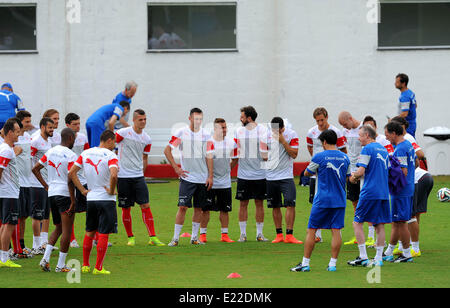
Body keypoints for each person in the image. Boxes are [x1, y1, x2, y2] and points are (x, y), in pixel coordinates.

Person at [290, 130, 351, 272]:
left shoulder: (319, 157)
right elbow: (348, 177)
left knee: (311, 230)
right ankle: (332, 264)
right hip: (339, 199)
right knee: (336, 231)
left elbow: (306, 173)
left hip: (322, 199)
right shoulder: (345, 158)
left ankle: (305, 264)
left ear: (324, 142)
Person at [68, 130, 119, 275]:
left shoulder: (86, 153)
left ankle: (85, 265)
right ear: (109, 140)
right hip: (106, 200)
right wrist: (111, 190)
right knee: (103, 233)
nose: (114, 145)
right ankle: (98, 268)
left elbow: (72, 173)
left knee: (89, 231)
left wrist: (82, 190)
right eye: (114, 142)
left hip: (91, 198)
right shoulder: (110, 155)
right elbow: (114, 175)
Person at [164, 108, 214, 246]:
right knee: (183, 207)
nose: (198, 121)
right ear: (190, 118)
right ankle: (175, 238)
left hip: (202, 178)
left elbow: (209, 156)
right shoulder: (181, 133)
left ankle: (194, 238)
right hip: (187, 178)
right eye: (195, 118)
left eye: (200, 119)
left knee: (199, 208)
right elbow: (167, 150)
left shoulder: (206, 135)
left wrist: (210, 176)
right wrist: (176, 167)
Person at [116, 109, 164, 247]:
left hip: (138, 177)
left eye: (145, 119)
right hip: (123, 176)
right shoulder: (122, 133)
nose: (143, 122)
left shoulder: (147, 138)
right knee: (126, 208)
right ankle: (130, 237)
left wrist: (142, 173)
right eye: (140, 119)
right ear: (134, 120)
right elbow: (111, 146)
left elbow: (145, 157)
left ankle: (153, 237)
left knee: (146, 205)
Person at [33, 128, 78, 273]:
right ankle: (60, 265)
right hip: (64, 194)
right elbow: (71, 178)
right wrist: (73, 200)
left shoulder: (51, 151)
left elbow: (35, 169)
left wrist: (46, 185)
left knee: (58, 227)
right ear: (70, 138)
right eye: (74, 138)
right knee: (67, 230)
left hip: (52, 194)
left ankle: (45, 259)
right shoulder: (71, 155)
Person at [347, 126, 391, 267]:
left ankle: (363, 256)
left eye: (360, 135)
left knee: (357, 222)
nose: (359, 138)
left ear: (367, 135)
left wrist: (353, 177)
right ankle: (378, 259)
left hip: (370, 192)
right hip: (383, 192)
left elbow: (361, 170)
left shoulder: (367, 149)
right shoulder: (383, 149)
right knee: (379, 225)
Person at [306, 107, 347, 243]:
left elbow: (343, 150)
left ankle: (332, 230)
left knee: (328, 199)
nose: (320, 123)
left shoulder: (336, 132)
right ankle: (318, 234)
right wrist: (317, 162)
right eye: (317, 121)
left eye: (322, 120)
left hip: (332, 170)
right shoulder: (311, 132)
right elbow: (310, 147)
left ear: (327, 117)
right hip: (318, 170)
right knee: (316, 201)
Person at [233, 106, 269, 242]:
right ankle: (243, 234)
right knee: (243, 204)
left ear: (249, 118)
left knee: (259, 203)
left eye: (242, 117)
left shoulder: (263, 130)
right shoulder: (238, 131)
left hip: (260, 174)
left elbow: (267, 151)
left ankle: (259, 234)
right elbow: (236, 152)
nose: (240, 119)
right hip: (243, 174)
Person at [199, 118, 238, 243]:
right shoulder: (209, 143)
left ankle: (224, 235)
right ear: (215, 129)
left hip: (225, 183)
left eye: (226, 127)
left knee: (225, 210)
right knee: (205, 209)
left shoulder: (232, 143)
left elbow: (236, 159)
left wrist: (227, 170)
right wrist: (209, 175)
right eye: (222, 128)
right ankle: (202, 235)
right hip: (209, 182)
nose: (225, 130)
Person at [266, 117, 303, 244]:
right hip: (271, 176)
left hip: (286, 176)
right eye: (273, 131)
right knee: (275, 206)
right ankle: (279, 235)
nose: (276, 133)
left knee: (290, 204)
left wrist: (283, 142)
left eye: (279, 130)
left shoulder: (291, 134)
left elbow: (294, 154)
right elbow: (263, 155)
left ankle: (289, 235)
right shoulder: (266, 136)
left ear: (283, 128)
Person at [383, 121, 415, 263]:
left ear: (394, 133)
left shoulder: (401, 148)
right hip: (407, 188)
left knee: (401, 222)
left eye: (387, 134)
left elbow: (403, 170)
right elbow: (416, 164)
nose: (386, 138)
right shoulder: (408, 145)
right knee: (396, 221)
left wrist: (389, 175)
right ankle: (389, 251)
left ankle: (407, 254)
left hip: (401, 190)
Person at [338, 111, 367, 246]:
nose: (345, 127)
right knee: (354, 202)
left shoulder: (363, 128)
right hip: (352, 171)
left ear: (350, 118)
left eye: (345, 124)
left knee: (368, 202)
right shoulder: (345, 132)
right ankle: (358, 236)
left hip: (364, 171)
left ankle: (372, 235)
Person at [29, 117, 54, 255]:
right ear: (43, 127)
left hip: (46, 183)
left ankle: (43, 243)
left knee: (45, 214)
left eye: (53, 127)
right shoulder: (36, 141)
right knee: (37, 215)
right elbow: (30, 161)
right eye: (50, 127)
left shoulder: (48, 141)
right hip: (36, 183)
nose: (52, 130)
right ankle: (36, 244)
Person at [65, 113, 90, 248]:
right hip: (68, 179)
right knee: (71, 209)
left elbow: (87, 155)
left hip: (83, 178)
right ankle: (72, 239)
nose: (78, 126)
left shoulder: (82, 138)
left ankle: (94, 237)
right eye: (75, 124)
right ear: (68, 125)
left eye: (79, 123)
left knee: (90, 208)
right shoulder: (61, 139)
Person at [0, 118, 22, 268]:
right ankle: (4, 258)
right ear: (9, 132)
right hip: (9, 193)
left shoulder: (4, 148)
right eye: (16, 132)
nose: (18, 135)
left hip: (7, 192)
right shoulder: (6, 150)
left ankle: (2, 256)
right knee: (9, 225)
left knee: (5, 224)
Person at [13, 111, 34, 258]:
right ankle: (12, 247)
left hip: (28, 182)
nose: (30, 124)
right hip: (17, 182)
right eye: (27, 122)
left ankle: (21, 244)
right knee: (15, 216)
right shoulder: (12, 139)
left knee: (24, 216)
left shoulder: (27, 137)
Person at [409, 158, 433, 257]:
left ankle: (413, 246)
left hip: (420, 179)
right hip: (427, 176)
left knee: (410, 215)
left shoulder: (400, 147)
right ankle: (412, 243)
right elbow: (417, 161)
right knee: (415, 212)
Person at [395, 73, 417, 138]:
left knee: (409, 143)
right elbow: (415, 105)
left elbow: (405, 114)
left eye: (397, 82)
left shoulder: (405, 96)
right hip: (412, 123)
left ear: (403, 83)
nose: (395, 83)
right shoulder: (410, 92)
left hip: (407, 125)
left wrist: (394, 120)